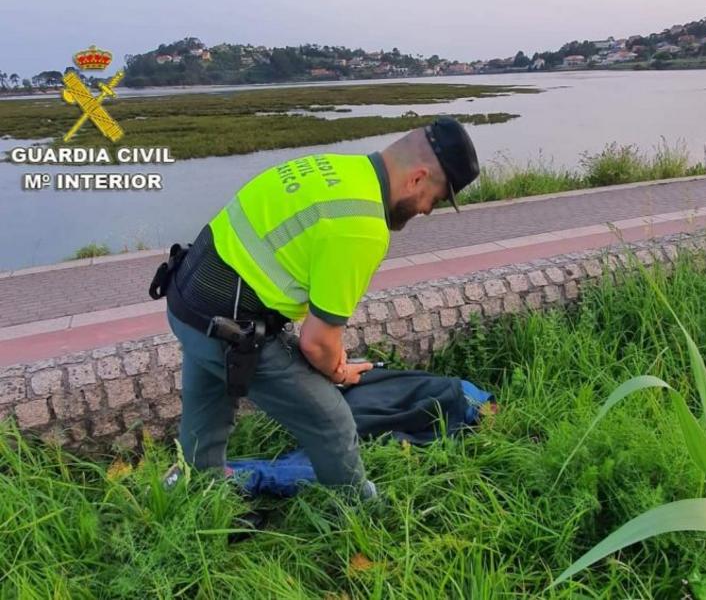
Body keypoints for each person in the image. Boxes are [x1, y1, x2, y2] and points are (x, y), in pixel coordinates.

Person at [160, 115, 479, 500]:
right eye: (437, 198)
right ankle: (359, 518)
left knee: (206, 420)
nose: (428, 210)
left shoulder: (339, 167)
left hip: (187, 298)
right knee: (331, 422)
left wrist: (331, 358)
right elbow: (317, 343)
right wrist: (340, 371)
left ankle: (187, 496)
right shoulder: (361, 225)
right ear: (417, 178)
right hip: (227, 326)